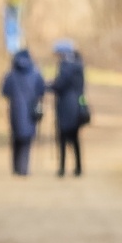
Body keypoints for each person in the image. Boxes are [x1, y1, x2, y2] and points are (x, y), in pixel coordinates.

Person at [0, 48, 45, 176]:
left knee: (16, 137)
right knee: (27, 138)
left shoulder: (11, 74)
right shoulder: (36, 73)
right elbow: (41, 90)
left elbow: (4, 91)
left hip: (15, 109)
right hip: (31, 110)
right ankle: (24, 167)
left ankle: (16, 167)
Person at [49, 40, 87, 177]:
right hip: (77, 105)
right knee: (75, 138)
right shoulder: (79, 64)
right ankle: (78, 167)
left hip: (66, 106)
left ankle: (62, 168)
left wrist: (48, 85)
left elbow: (59, 85)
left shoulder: (66, 66)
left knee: (63, 137)